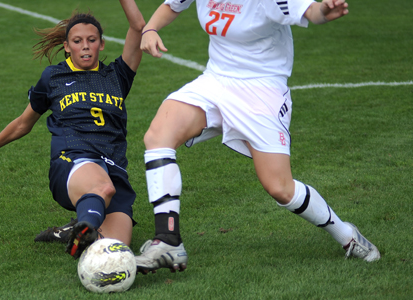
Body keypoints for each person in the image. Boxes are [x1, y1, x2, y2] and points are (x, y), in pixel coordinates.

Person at [134, 0, 380, 273]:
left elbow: (310, 11)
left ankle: (346, 234)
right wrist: (151, 29)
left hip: (262, 89)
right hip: (216, 79)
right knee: (158, 135)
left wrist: (324, 11)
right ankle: (168, 240)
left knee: (280, 188)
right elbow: (173, 5)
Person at [0, 0, 145, 259]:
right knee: (102, 189)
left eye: (92, 40)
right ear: (67, 47)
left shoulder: (118, 75)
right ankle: (87, 224)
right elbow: (23, 123)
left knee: (114, 251)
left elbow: (138, 26)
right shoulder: (53, 77)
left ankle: (73, 232)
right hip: (73, 159)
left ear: (101, 44)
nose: (85, 46)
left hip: (113, 167)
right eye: (78, 41)